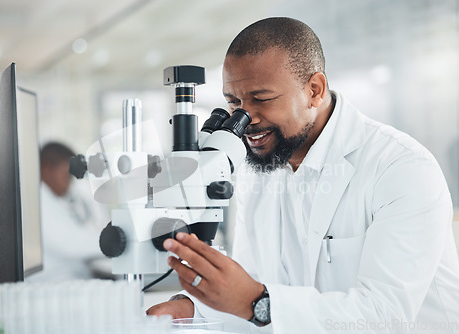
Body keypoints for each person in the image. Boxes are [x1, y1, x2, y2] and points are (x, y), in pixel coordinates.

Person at [147, 17, 459, 333]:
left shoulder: (401, 167)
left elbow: (385, 316)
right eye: (233, 104)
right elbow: (250, 288)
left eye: (262, 99)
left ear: (314, 90)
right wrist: (191, 309)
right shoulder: (262, 170)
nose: (246, 119)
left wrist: (255, 301)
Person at [32, 141, 105, 282]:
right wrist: (116, 241)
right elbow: (71, 244)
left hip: (70, 277)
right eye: (67, 177)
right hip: (56, 282)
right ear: (46, 170)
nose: (69, 183)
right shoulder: (39, 199)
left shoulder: (52, 199)